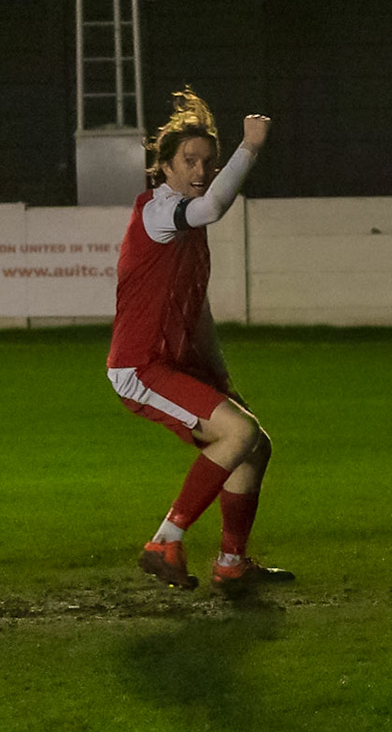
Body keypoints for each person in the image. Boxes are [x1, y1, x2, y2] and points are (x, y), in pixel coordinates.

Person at [106, 88, 292, 596]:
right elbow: (211, 208)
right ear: (162, 167)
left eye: (208, 162)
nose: (200, 170)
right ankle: (165, 542)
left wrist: (219, 373)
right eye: (189, 160)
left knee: (254, 445)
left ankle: (231, 563)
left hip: (179, 363)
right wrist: (249, 148)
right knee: (236, 436)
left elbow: (197, 309)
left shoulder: (188, 226)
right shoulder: (160, 212)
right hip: (141, 367)